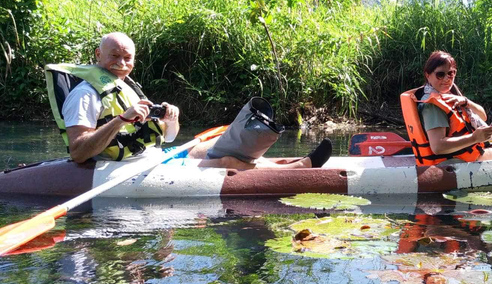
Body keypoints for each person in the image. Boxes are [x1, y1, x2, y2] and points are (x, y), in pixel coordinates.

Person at [52, 32, 332, 168]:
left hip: (152, 158)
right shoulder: (85, 94)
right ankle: (301, 169)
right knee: (226, 163)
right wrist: (122, 119)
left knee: (217, 145)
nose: (121, 63)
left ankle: (292, 166)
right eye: (114, 56)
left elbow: (169, 138)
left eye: (127, 58)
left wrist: (170, 122)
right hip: (117, 169)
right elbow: (78, 152)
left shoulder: (127, 90)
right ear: (98, 56)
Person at [400, 50, 492, 166]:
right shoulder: (433, 105)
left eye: (451, 73)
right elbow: (438, 147)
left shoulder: (448, 96)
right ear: (428, 75)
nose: (446, 79)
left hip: (468, 152)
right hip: (454, 161)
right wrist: (474, 137)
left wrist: (466, 101)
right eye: (440, 74)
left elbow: (483, 117)